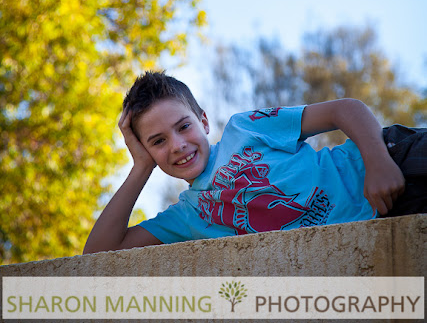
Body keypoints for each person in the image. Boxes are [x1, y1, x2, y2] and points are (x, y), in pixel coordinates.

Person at [83, 71, 425, 254]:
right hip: (378, 224)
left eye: (183, 127)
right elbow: (99, 253)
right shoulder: (187, 216)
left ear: (203, 121)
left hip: (392, 160)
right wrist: (141, 167)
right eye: (157, 142)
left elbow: (344, 109)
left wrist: (378, 162)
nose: (177, 145)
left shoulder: (244, 128)